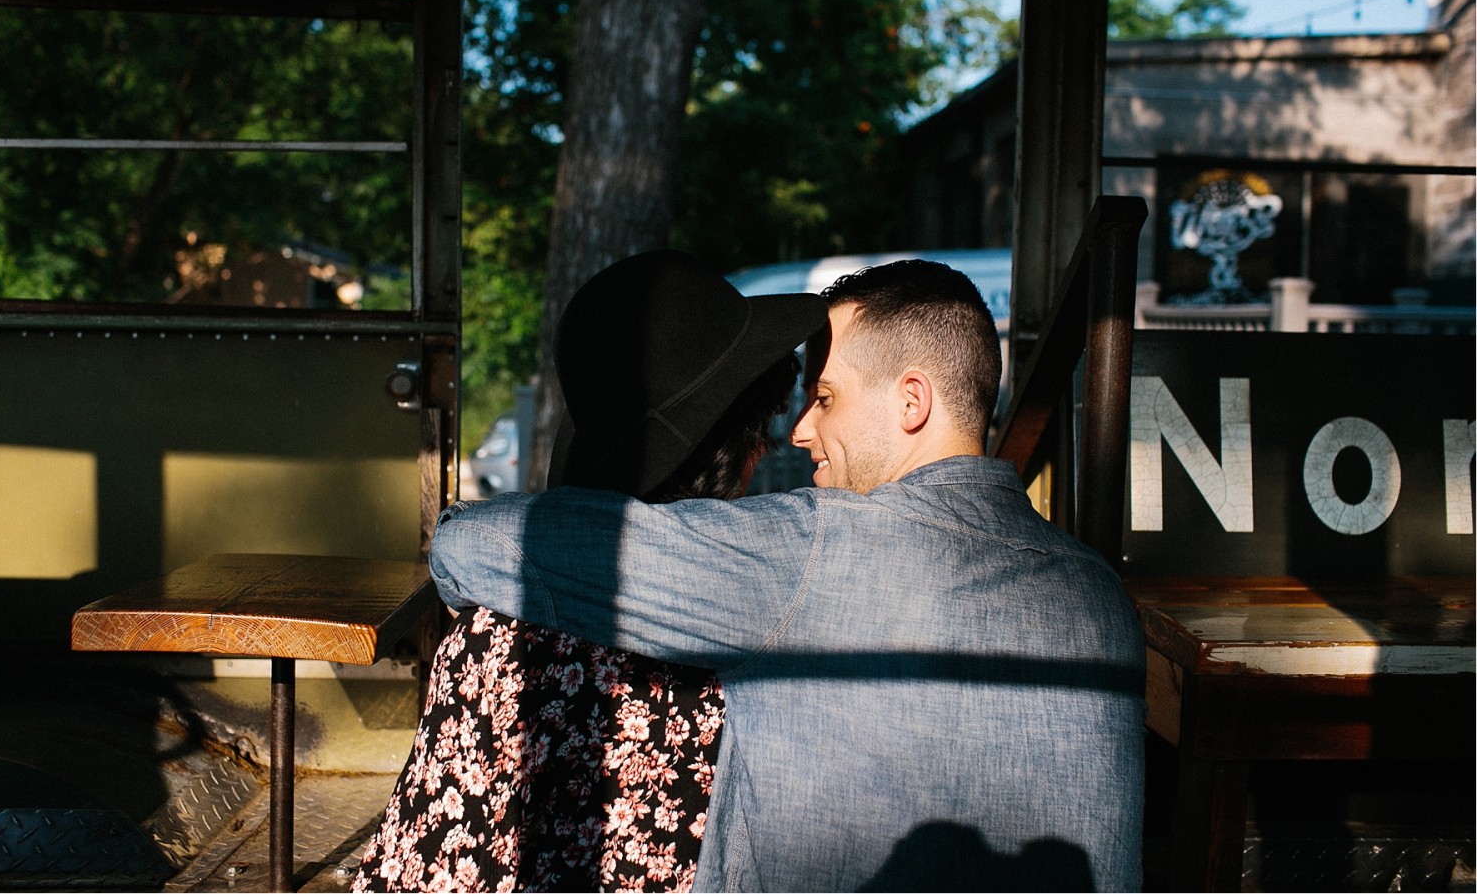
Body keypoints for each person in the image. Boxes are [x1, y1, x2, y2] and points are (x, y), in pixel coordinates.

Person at [429, 259, 1146, 892]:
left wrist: (451, 531)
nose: (799, 429)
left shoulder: (810, 554)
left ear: (911, 401)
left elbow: (488, 546)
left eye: (825, 397)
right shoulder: (1100, 595)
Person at [354, 250, 828, 892]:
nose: (782, 442)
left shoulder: (491, 636)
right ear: (731, 447)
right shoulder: (769, 621)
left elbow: (426, 864)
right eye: (760, 431)